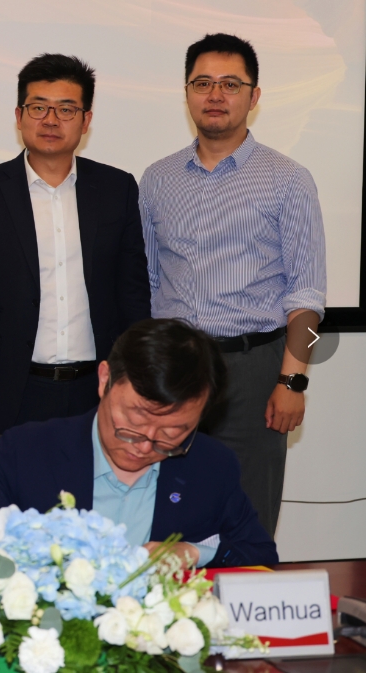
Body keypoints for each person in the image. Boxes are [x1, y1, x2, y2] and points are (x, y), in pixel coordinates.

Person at [139, 33, 326, 538]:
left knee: (249, 520)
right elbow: (151, 284)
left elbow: (308, 297)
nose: (215, 95)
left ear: (254, 95)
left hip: (256, 370)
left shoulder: (289, 179)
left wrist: (292, 382)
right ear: (186, 93)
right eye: (203, 83)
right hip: (176, 371)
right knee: (168, 519)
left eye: (230, 84)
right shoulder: (156, 180)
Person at [0, 319, 278, 568]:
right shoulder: (28, 451)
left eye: (172, 434)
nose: (146, 446)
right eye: (134, 421)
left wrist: (193, 553)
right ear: (104, 380)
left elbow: (259, 556)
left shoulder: (211, 465)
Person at [0, 54, 150, 443]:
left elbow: (133, 295)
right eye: (38, 107)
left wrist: (137, 382)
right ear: (19, 115)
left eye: (66, 109)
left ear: (86, 121)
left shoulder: (117, 189)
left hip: (99, 390)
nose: (51, 120)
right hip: (11, 391)